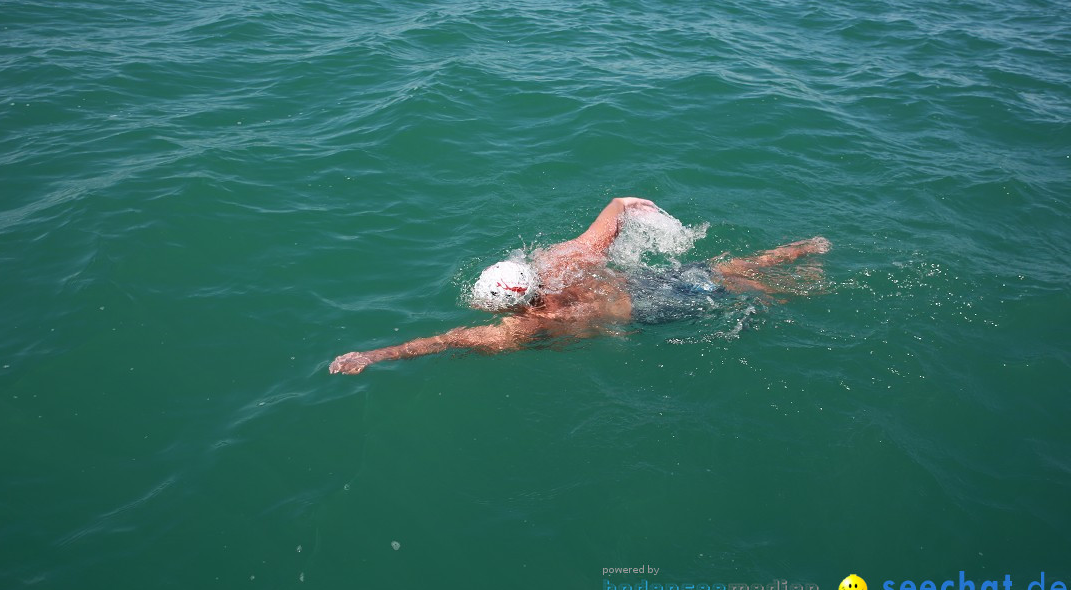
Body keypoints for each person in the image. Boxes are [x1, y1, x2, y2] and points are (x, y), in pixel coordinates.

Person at [329, 197, 830, 375]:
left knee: (741, 293)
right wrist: (628, 206)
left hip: (648, 312)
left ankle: (806, 287)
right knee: (722, 270)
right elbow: (611, 217)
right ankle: (803, 250)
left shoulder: (526, 329)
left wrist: (375, 355)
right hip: (640, 281)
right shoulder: (559, 262)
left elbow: (444, 342)